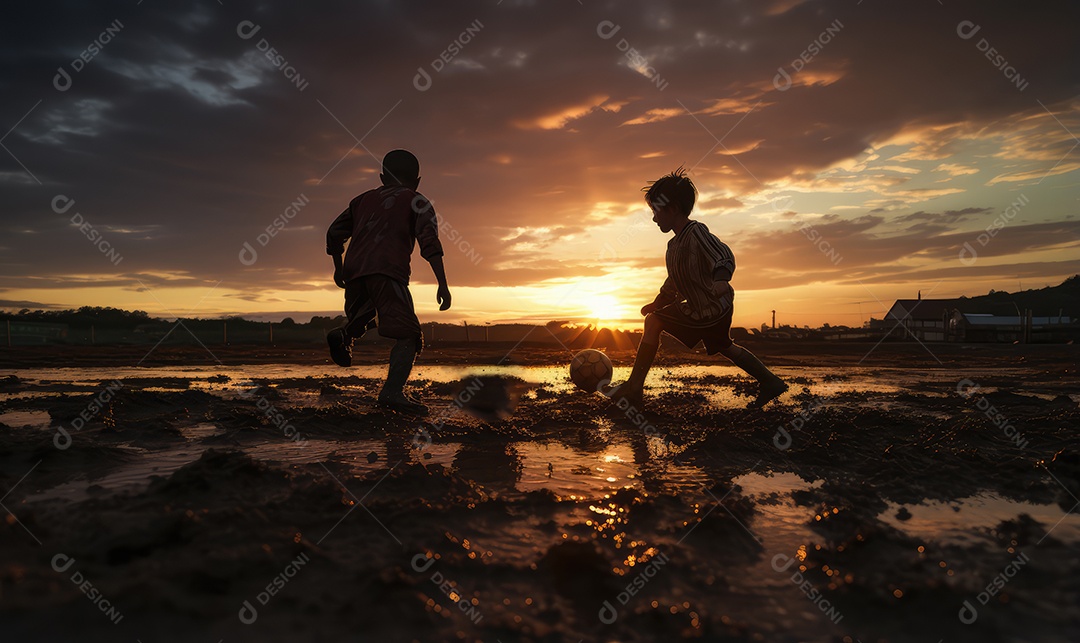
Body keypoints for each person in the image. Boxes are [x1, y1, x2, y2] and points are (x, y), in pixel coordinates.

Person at [605, 167, 787, 410]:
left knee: (653, 322)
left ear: (673, 209)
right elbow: (674, 281)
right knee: (725, 346)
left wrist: (721, 279)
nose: (654, 218)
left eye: (656, 211)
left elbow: (723, 254)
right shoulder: (673, 246)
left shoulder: (697, 232)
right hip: (702, 309)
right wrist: (658, 302)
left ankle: (634, 388)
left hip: (712, 308)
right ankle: (771, 381)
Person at [325, 149, 451, 415]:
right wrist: (442, 283)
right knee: (409, 335)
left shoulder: (361, 200)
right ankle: (392, 393)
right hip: (388, 270)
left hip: (355, 272)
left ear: (382, 178)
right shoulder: (417, 201)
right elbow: (429, 243)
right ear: (417, 181)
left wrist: (338, 268)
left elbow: (334, 233)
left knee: (366, 313)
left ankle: (344, 335)